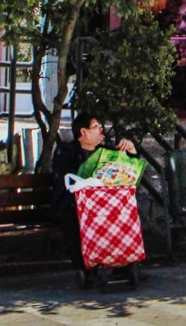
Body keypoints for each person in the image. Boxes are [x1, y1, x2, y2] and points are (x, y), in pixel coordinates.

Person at [51, 114, 138, 270]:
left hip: (102, 205)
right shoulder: (66, 151)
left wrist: (131, 150)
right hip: (73, 205)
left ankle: (124, 265)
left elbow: (129, 172)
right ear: (83, 132)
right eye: (96, 127)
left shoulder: (106, 151)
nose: (101, 130)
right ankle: (87, 267)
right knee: (77, 220)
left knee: (123, 216)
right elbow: (65, 181)